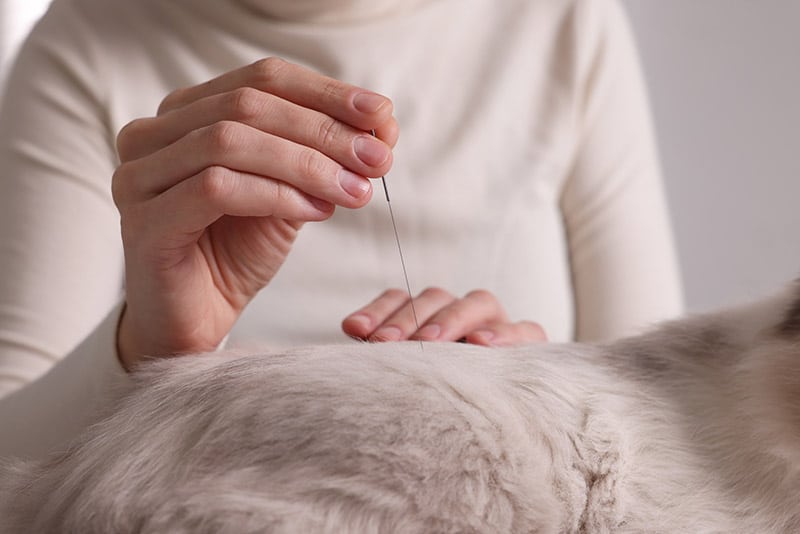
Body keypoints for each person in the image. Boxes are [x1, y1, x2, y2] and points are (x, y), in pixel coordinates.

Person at [0, 0, 683, 459]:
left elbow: (670, 429)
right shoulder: (89, 35)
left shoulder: (561, 20)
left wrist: (534, 396)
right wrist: (150, 346)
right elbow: (10, 470)